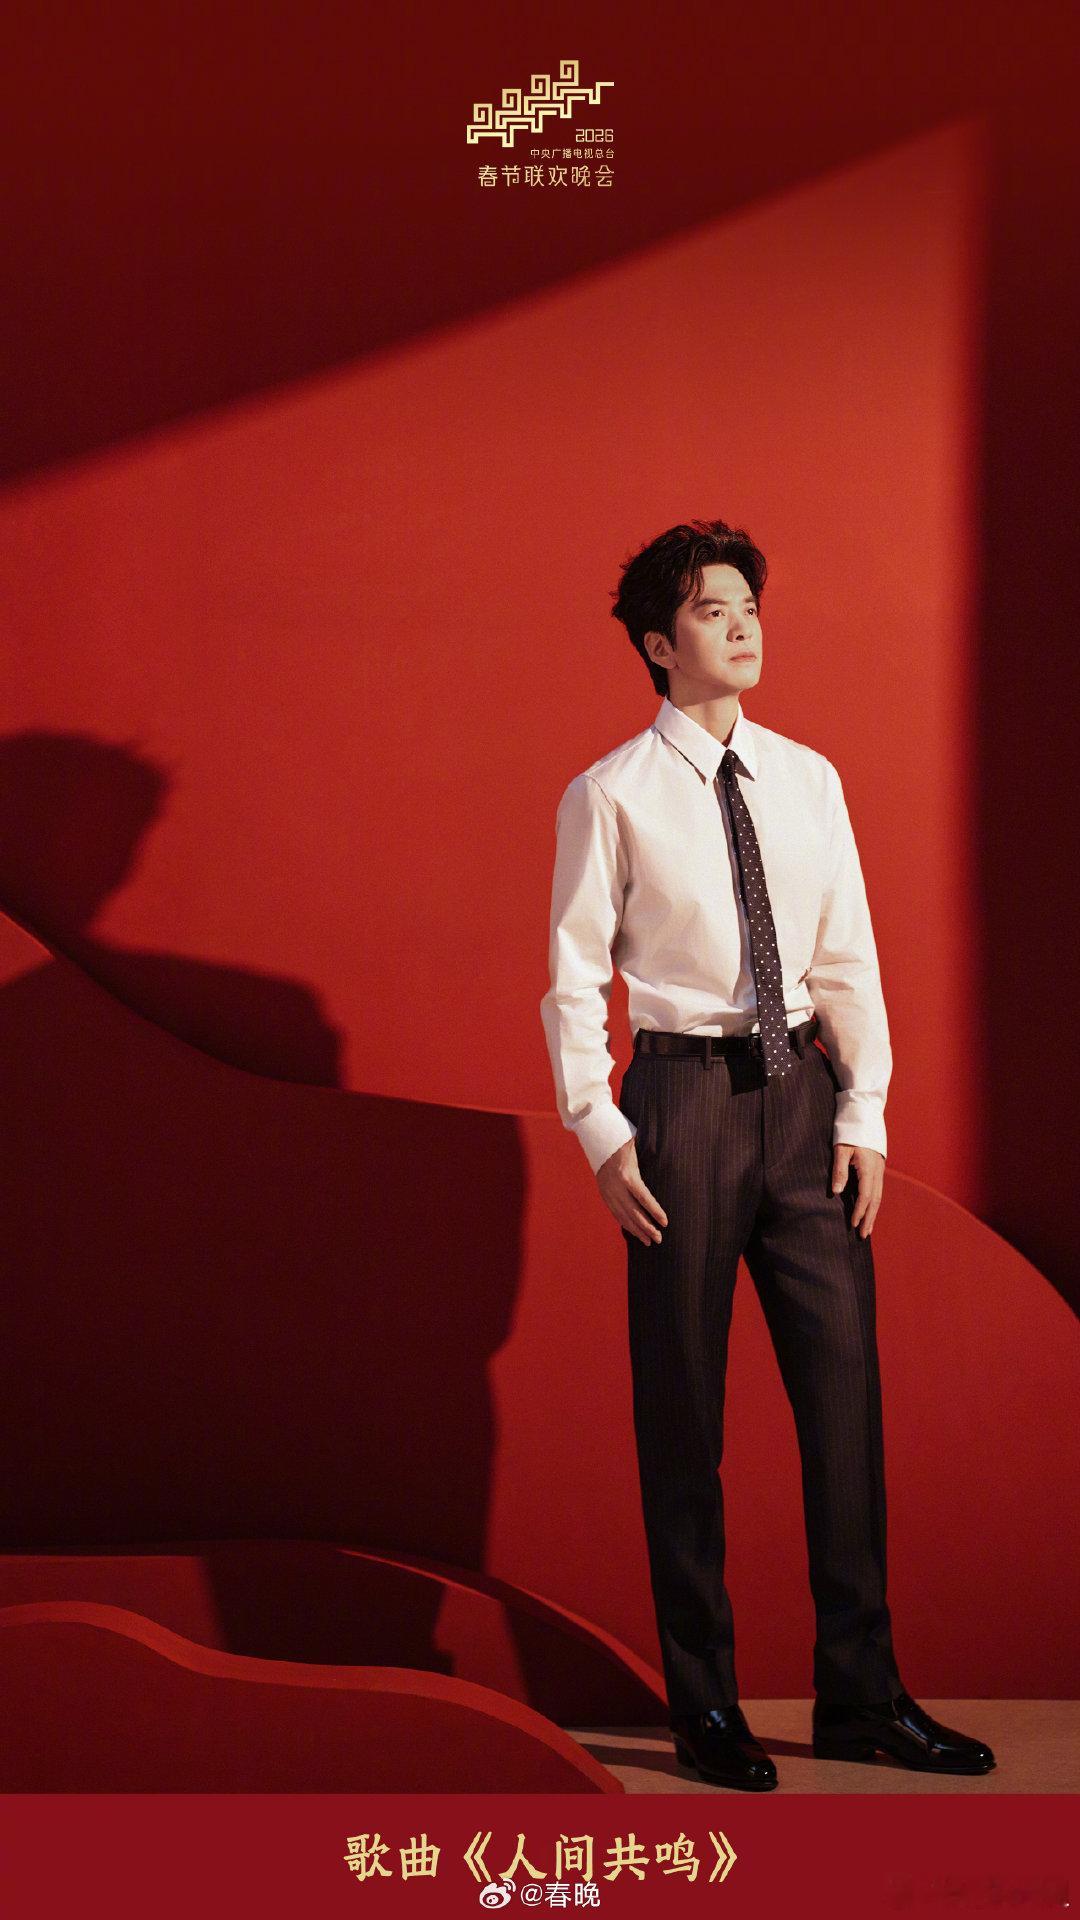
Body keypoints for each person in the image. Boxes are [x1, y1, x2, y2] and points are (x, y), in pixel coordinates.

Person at [539, 518, 995, 1790]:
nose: (743, 626)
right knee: (684, 1419)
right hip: (681, 1107)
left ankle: (863, 1696)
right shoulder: (611, 794)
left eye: (750, 604)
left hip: (805, 1102)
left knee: (845, 1408)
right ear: (657, 643)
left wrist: (866, 1113)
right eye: (712, 609)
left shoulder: (808, 779)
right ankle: (706, 1705)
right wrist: (600, 1128)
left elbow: (848, 953)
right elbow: (573, 979)